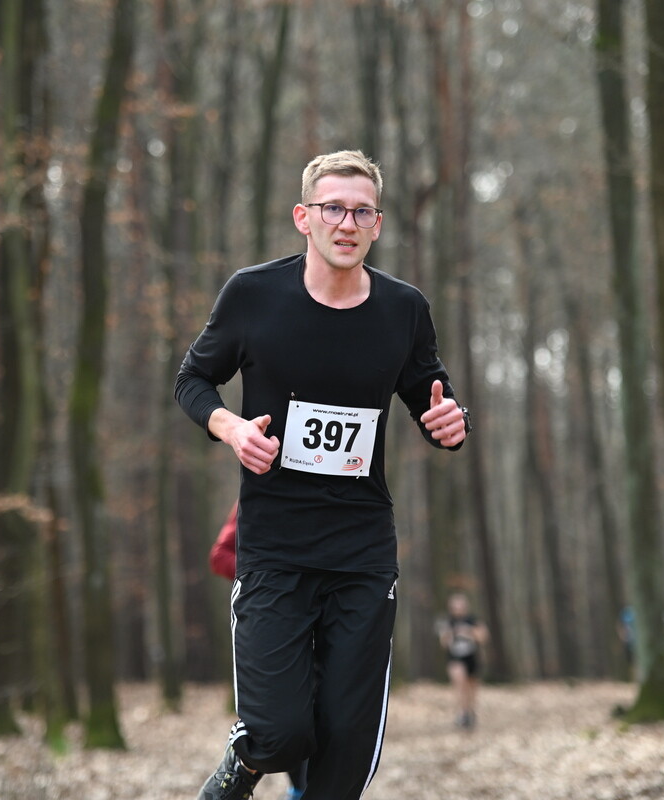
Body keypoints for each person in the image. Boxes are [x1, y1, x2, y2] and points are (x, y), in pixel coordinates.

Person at [177, 149, 471, 800]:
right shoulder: (253, 295)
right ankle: (244, 764)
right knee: (279, 732)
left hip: (361, 551)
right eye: (332, 208)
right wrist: (231, 428)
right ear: (302, 217)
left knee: (346, 750)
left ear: (378, 225)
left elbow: (432, 396)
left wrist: (451, 423)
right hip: (274, 546)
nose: (347, 223)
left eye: (362, 212)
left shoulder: (404, 309)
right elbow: (193, 379)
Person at [210, 500, 308, 800]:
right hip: (272, 618)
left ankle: (303, 788)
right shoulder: (258, 496)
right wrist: (266, 575)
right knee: (285, 717)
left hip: (326, 616)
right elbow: (219, 556)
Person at [436, 592, 489, 729]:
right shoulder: (447, 621)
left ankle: (470, 711)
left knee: (471, 687)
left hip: (472, 658)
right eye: (455, 606)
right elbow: (443, 642)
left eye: (460, 606)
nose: (458, 609)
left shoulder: (473, 620)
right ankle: (462, 713)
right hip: (455, 658)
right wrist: (450, 634)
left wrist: (469, 632)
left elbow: (483, 637)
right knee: (460, 683)